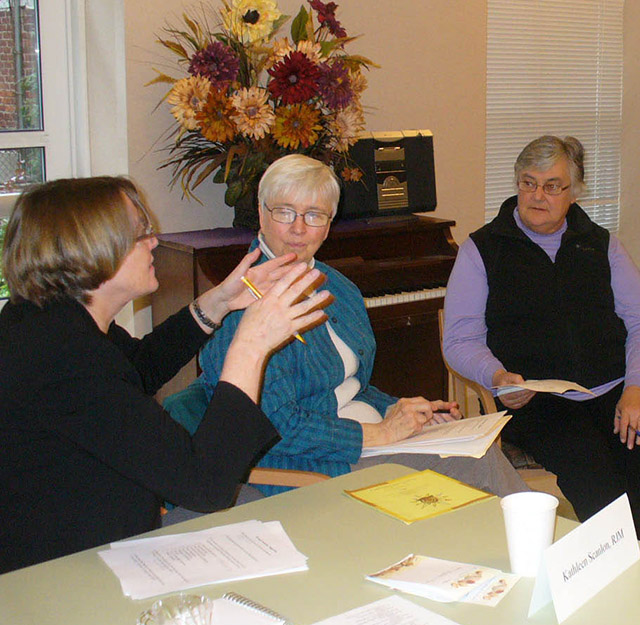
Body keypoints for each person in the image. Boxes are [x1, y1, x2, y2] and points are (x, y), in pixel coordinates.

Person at [0, 176, 329, 574]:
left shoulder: (45, 319)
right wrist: (250, 346)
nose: (154, 241)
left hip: (102, 543)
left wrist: (218, 303)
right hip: (66, 574)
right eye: (142, 233)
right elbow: (206, 486)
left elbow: (136, 369)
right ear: (92, 250)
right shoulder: (63, 358)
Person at [195, 155, 527, 497]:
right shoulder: (240, 305)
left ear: (328, 224)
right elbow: (274, 428)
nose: (298, 228)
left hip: (365, 438)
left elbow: (352, 387)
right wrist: (382, 433)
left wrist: (405, 412)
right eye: (284, 212)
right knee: (474, 466)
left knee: (475, 450)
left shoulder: (338, 287)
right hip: (308, 466)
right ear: (262, 214)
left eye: (314, 215)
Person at [442, 135, 640, 551]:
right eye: (528, 183)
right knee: (597, 480)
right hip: (537, 400)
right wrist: (497, 376)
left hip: (615, 390)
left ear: (574, 192)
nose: (538, 195)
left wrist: (639, 390)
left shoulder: (601, 244)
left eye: (553, 185)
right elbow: (460, 338)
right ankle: (620, 575)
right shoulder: (483, 249)